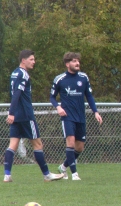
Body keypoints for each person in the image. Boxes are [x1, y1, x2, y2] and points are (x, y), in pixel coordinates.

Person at [4, 49, 64, 182]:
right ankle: (47, 175)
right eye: (31, 59)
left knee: (12, 145)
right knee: (37, 144)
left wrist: (12, 113)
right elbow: (17, 95)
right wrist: (12, 113)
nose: (34, 62)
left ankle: (7, 175)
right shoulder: (23, 74)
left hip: (17, 115)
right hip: (25, 115)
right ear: (23, 60)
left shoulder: (14, 72)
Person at [50, 52, 103, 181]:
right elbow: (52, 97)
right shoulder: (60, 79)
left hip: (81, 117)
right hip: (67, 116)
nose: (77, 63)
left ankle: (63, 167)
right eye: (74, 61)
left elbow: (89, 96)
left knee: (79, 147)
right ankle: (74, 174)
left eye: (78, 60)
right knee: (71, 142)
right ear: (68, 64)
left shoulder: (84, 77)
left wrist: (95, 111)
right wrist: (58, 107)